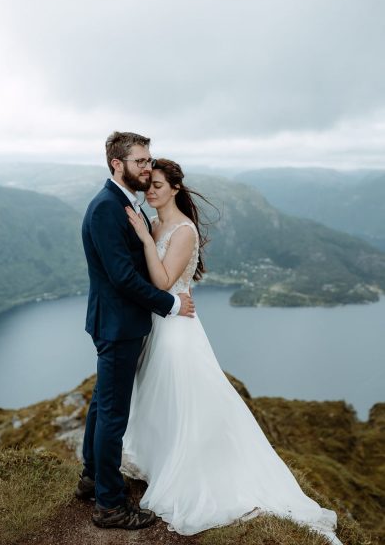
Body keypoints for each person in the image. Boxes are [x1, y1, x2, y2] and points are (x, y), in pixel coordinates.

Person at [122, 158, 343, 544]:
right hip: (160, 322)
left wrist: (143, 239)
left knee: (184, 395)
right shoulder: (156, 223)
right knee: (161, 396)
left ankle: (193, 471)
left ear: (175, 188)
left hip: (176, 326)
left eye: (158, 185)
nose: (150, 191)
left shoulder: (182, 230)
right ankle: (162, 462)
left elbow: (162, 280)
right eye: (148, 185)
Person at [77, 132, 195, 530]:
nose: (147, 167)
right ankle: (109, 505)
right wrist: (172, 303)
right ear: (117, 164)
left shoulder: (122, 201)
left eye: (149, 161)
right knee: (113, 413)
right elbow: (124, 277)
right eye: (140, 161)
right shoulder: (107, 208)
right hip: (118, 323)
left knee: (102, 404)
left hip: (119, 321)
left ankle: (92, 478)